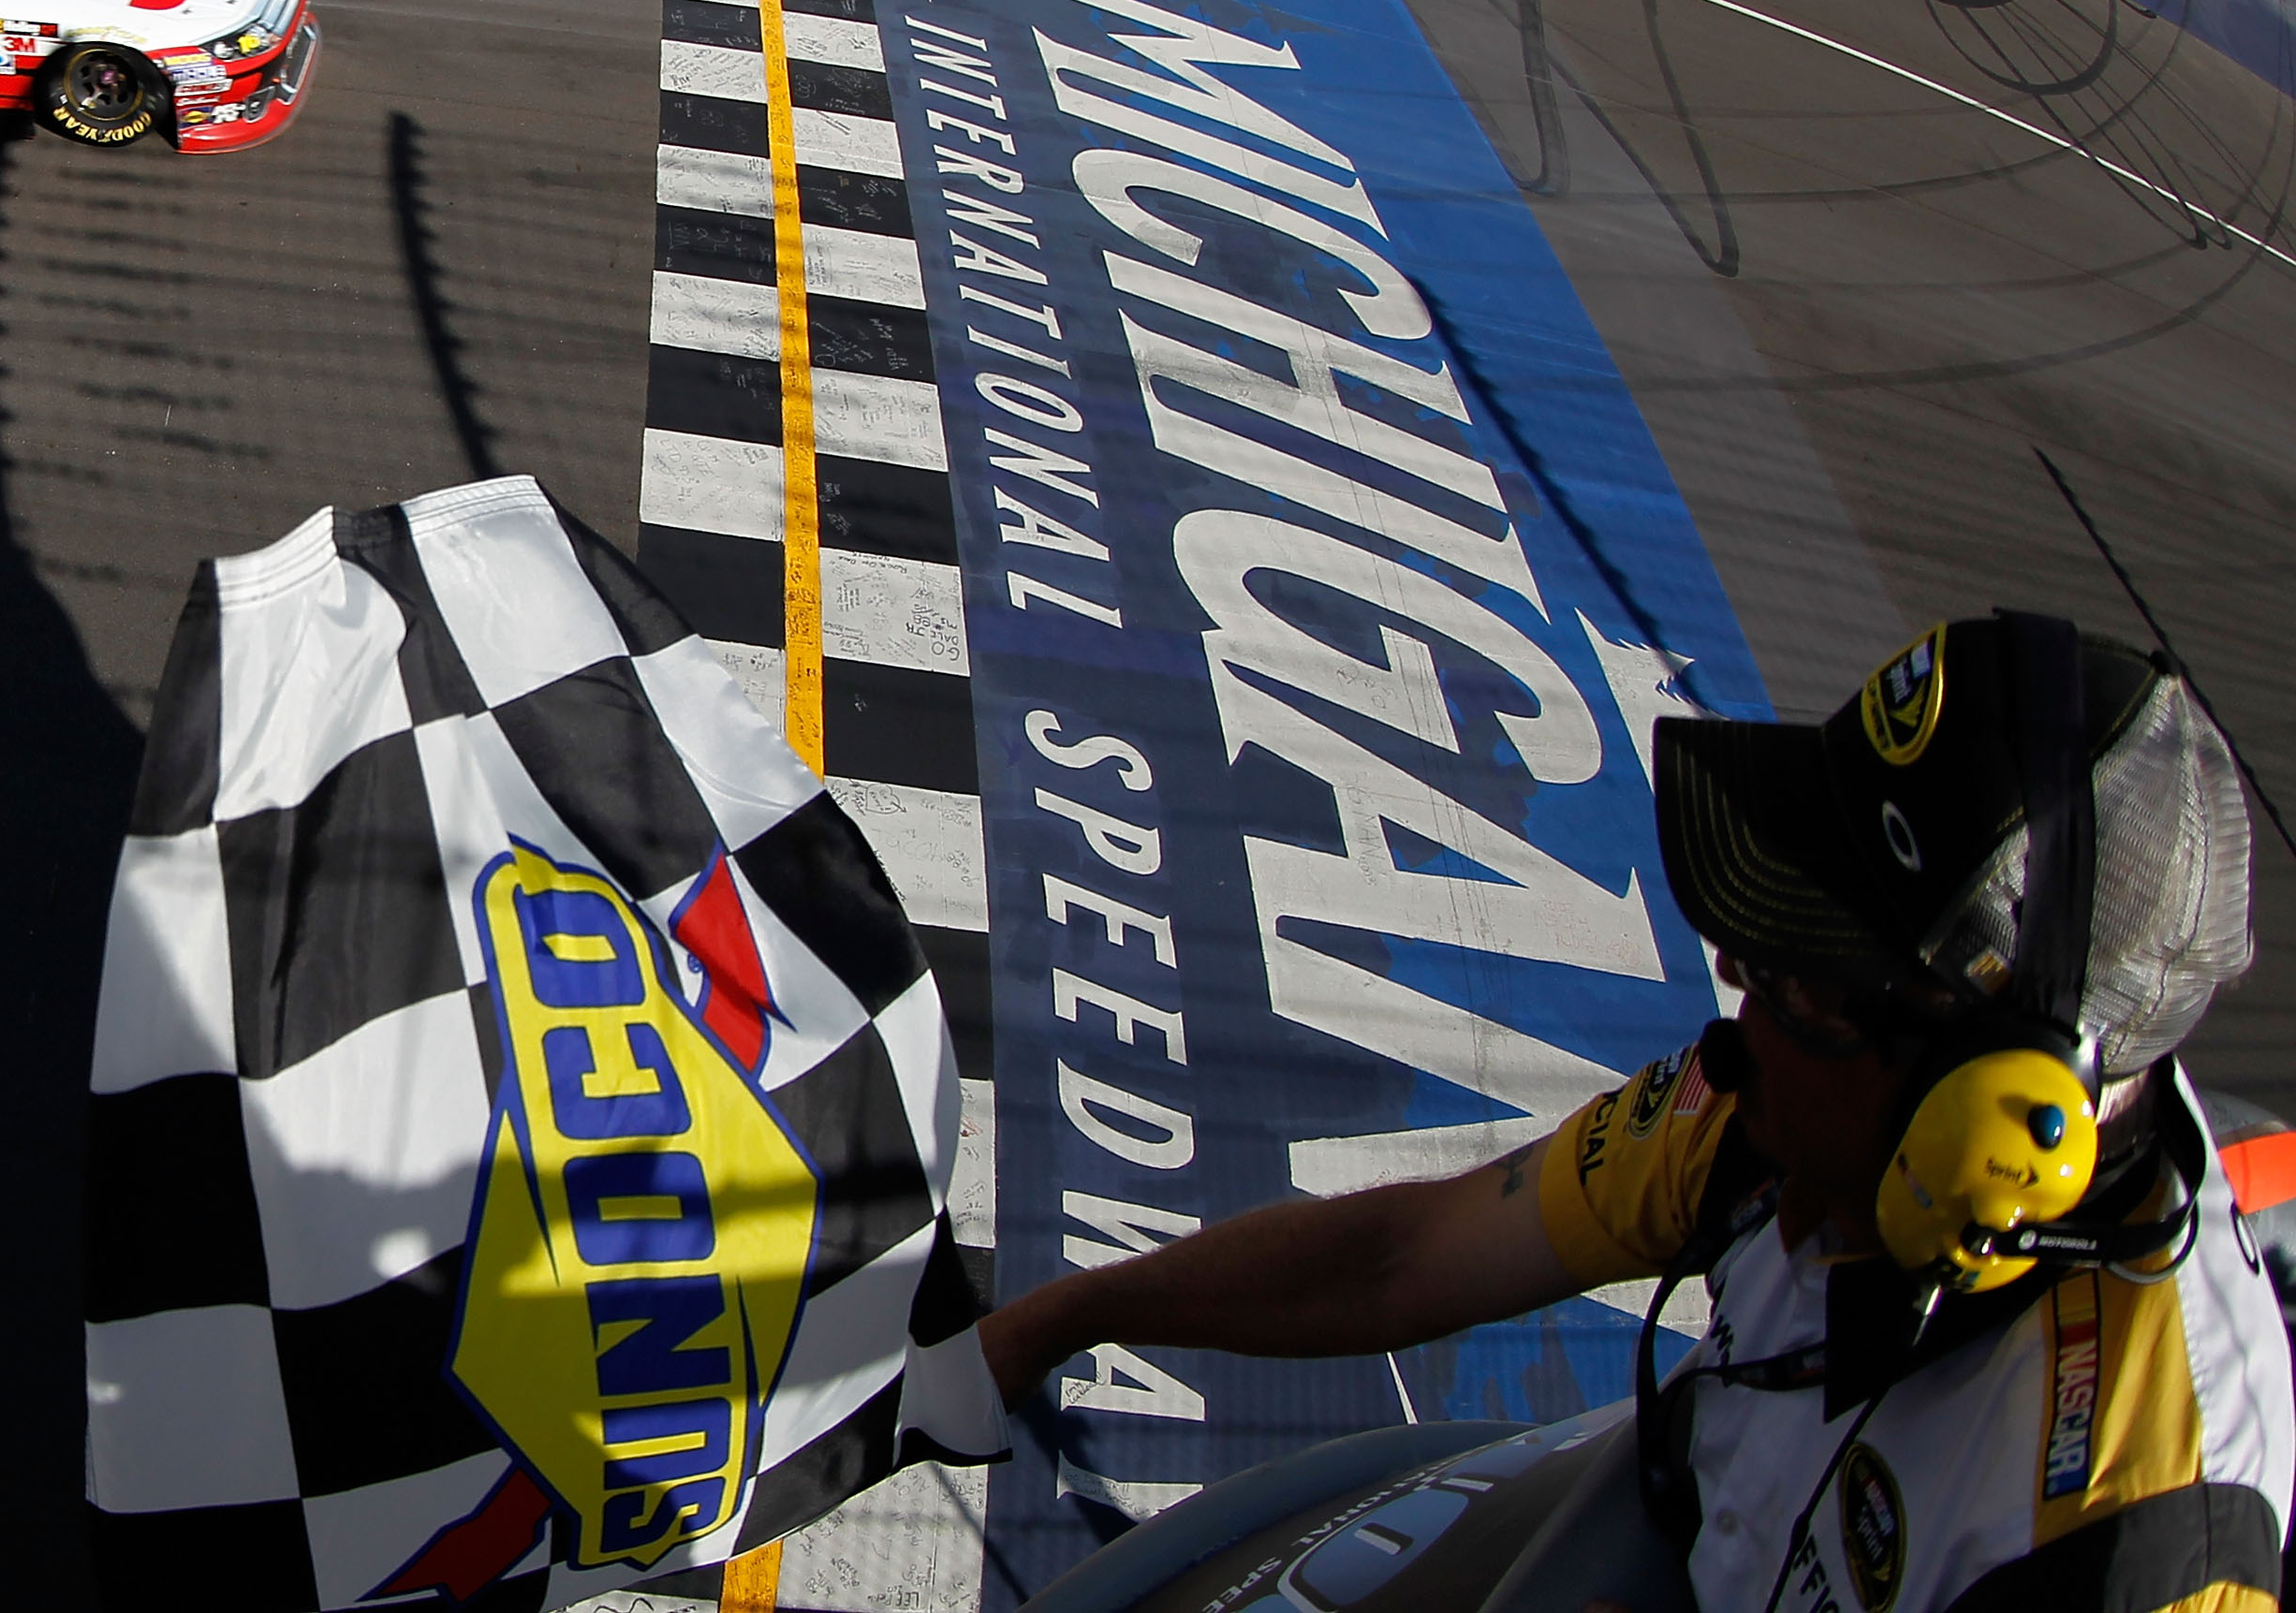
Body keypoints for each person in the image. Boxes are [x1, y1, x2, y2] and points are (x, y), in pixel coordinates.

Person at [979, 613, 2292, 1610]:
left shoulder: (2142, 1543)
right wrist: (1054, 1322)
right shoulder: (1788, 1114)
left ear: (1988, 1114)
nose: (1738, 983)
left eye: (1810, 968)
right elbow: (1403, 1258)